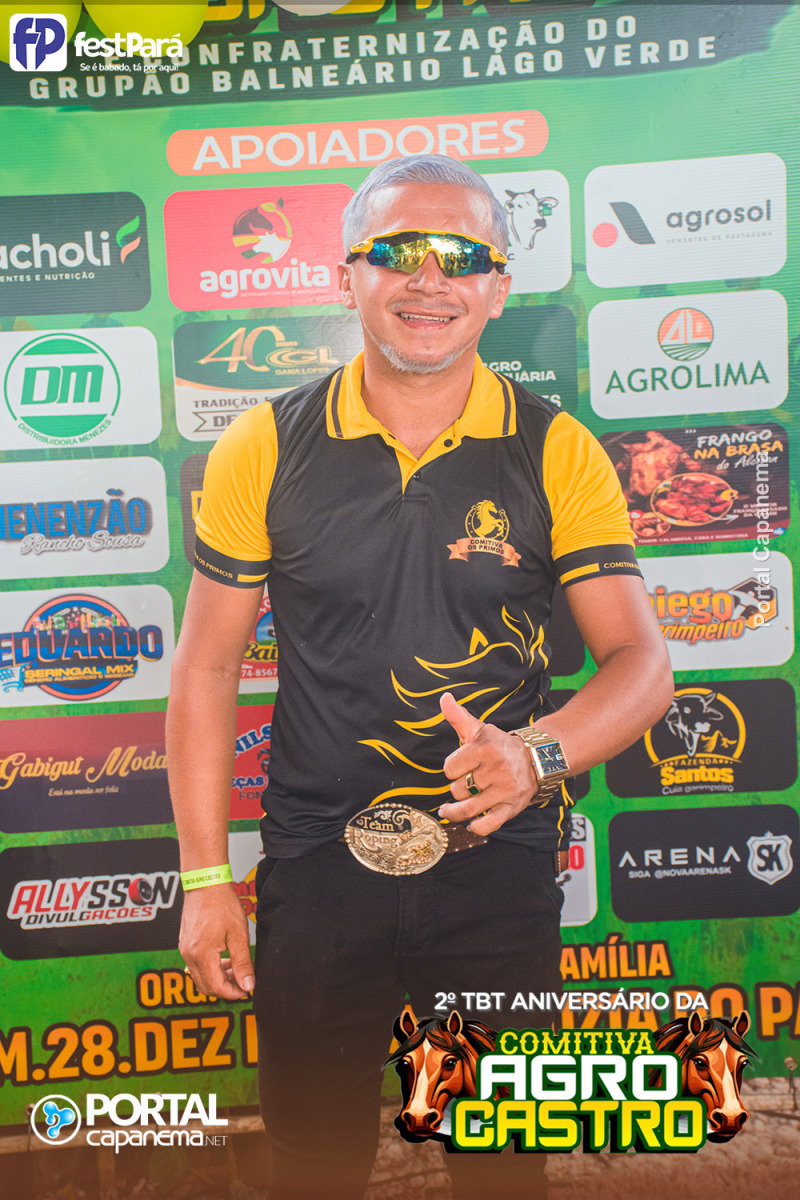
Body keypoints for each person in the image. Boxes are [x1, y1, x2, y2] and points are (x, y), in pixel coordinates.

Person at [167, 154, 673, 1200]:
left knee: (501, 1167)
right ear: (347, 275)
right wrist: (207, 882)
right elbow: (208, 667)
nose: (429, 279)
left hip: (496, 867)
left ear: (499, 286)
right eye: (398, 251)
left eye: (461, 256)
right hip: (317, 867)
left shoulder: (556, 450)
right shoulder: (264, 443)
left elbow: (641, 663)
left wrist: (534, 756)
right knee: (310, 1165)